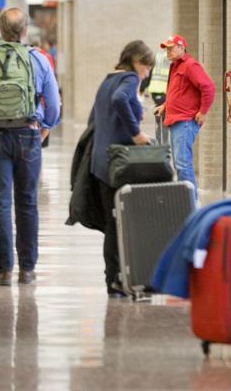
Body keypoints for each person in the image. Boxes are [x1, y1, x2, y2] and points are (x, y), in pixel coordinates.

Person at [0, 8, 62, 286]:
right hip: (27, 133)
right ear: (25, 30)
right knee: (28, 202)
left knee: (1, 203)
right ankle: (27, 269)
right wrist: (44, 128)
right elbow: (53, 104)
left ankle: (5, 269)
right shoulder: (38, 58)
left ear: (1, 29)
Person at [88, 41, 155, 297]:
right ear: (137, 62)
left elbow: (96, 119)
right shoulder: (128, 79)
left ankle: (113, 279)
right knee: (119, 223)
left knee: (112, 221)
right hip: (117, 162)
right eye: (146, 67)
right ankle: (117, 279)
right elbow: (120, 101)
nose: (147, 74)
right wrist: (136, 134)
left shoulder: (108, 79)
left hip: (101, 160)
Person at [154, 35, 215, 192]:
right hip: (176, 121)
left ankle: (190, 204)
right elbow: (179, 91)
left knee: (182, 164)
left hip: (185, 121)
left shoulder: (190, 65)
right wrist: (166, 105)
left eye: (171, 48)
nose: (168, 51)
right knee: (179, 164)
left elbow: (208, 87)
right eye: (166, 48)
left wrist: (203, 112)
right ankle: (186, 201)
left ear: (182, 47)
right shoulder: (175, 67)